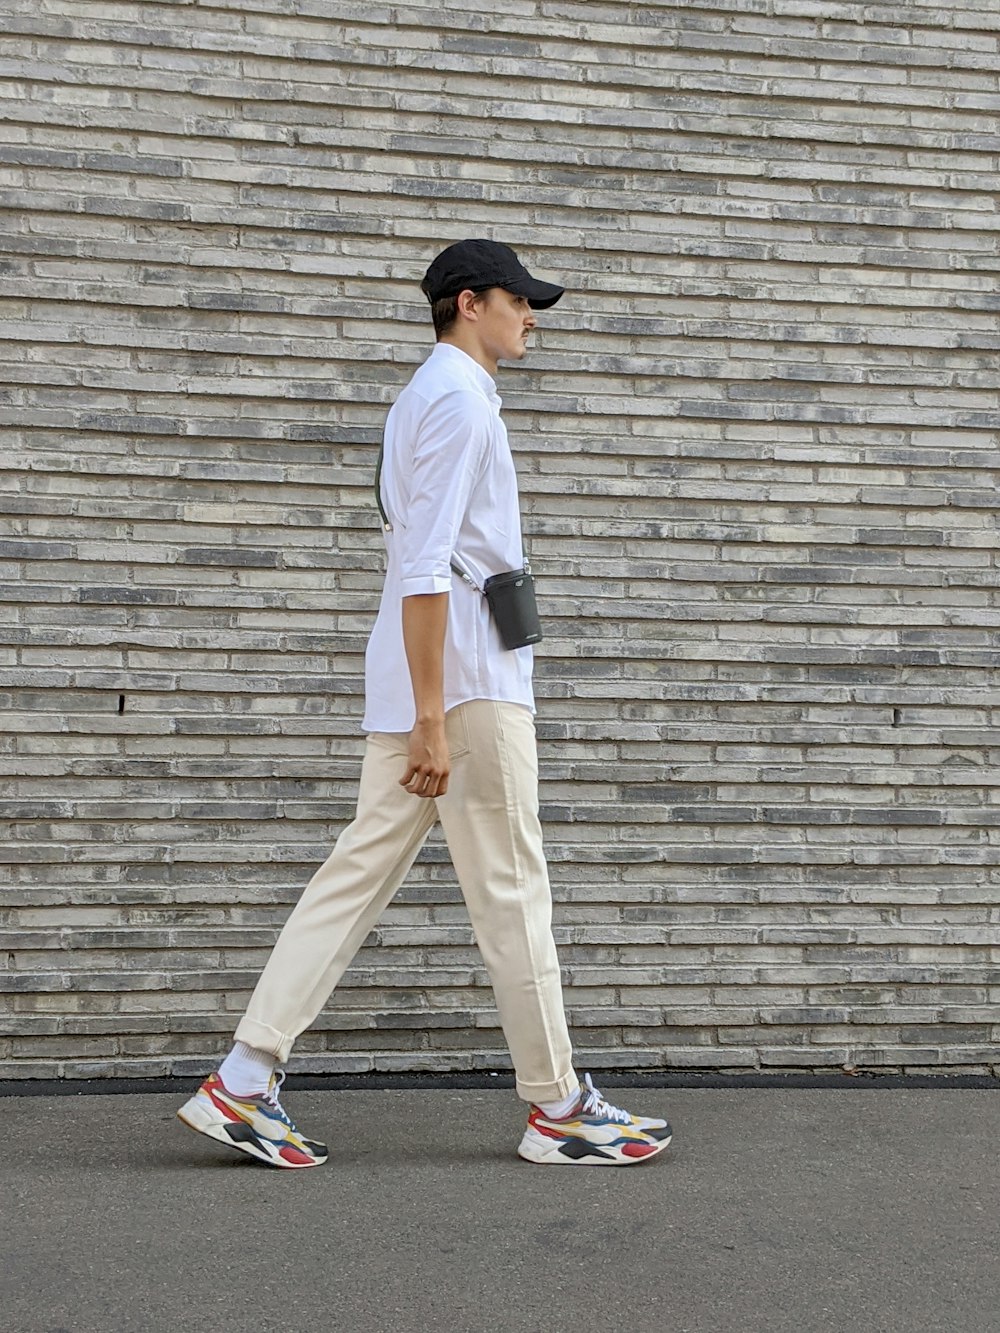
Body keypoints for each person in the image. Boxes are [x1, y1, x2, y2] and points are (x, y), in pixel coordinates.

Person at [177, 239, 673, 1169]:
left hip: (431, 685)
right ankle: (559, 1106)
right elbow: (425, 568)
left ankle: (242, 1080)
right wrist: (435, 719)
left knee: (354, 877)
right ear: (469, 301)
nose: (532, 317)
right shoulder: (454, 401)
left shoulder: (433, 396)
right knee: (513, 892)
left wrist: (421, 707)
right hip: (467, 688)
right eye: (520, 300)